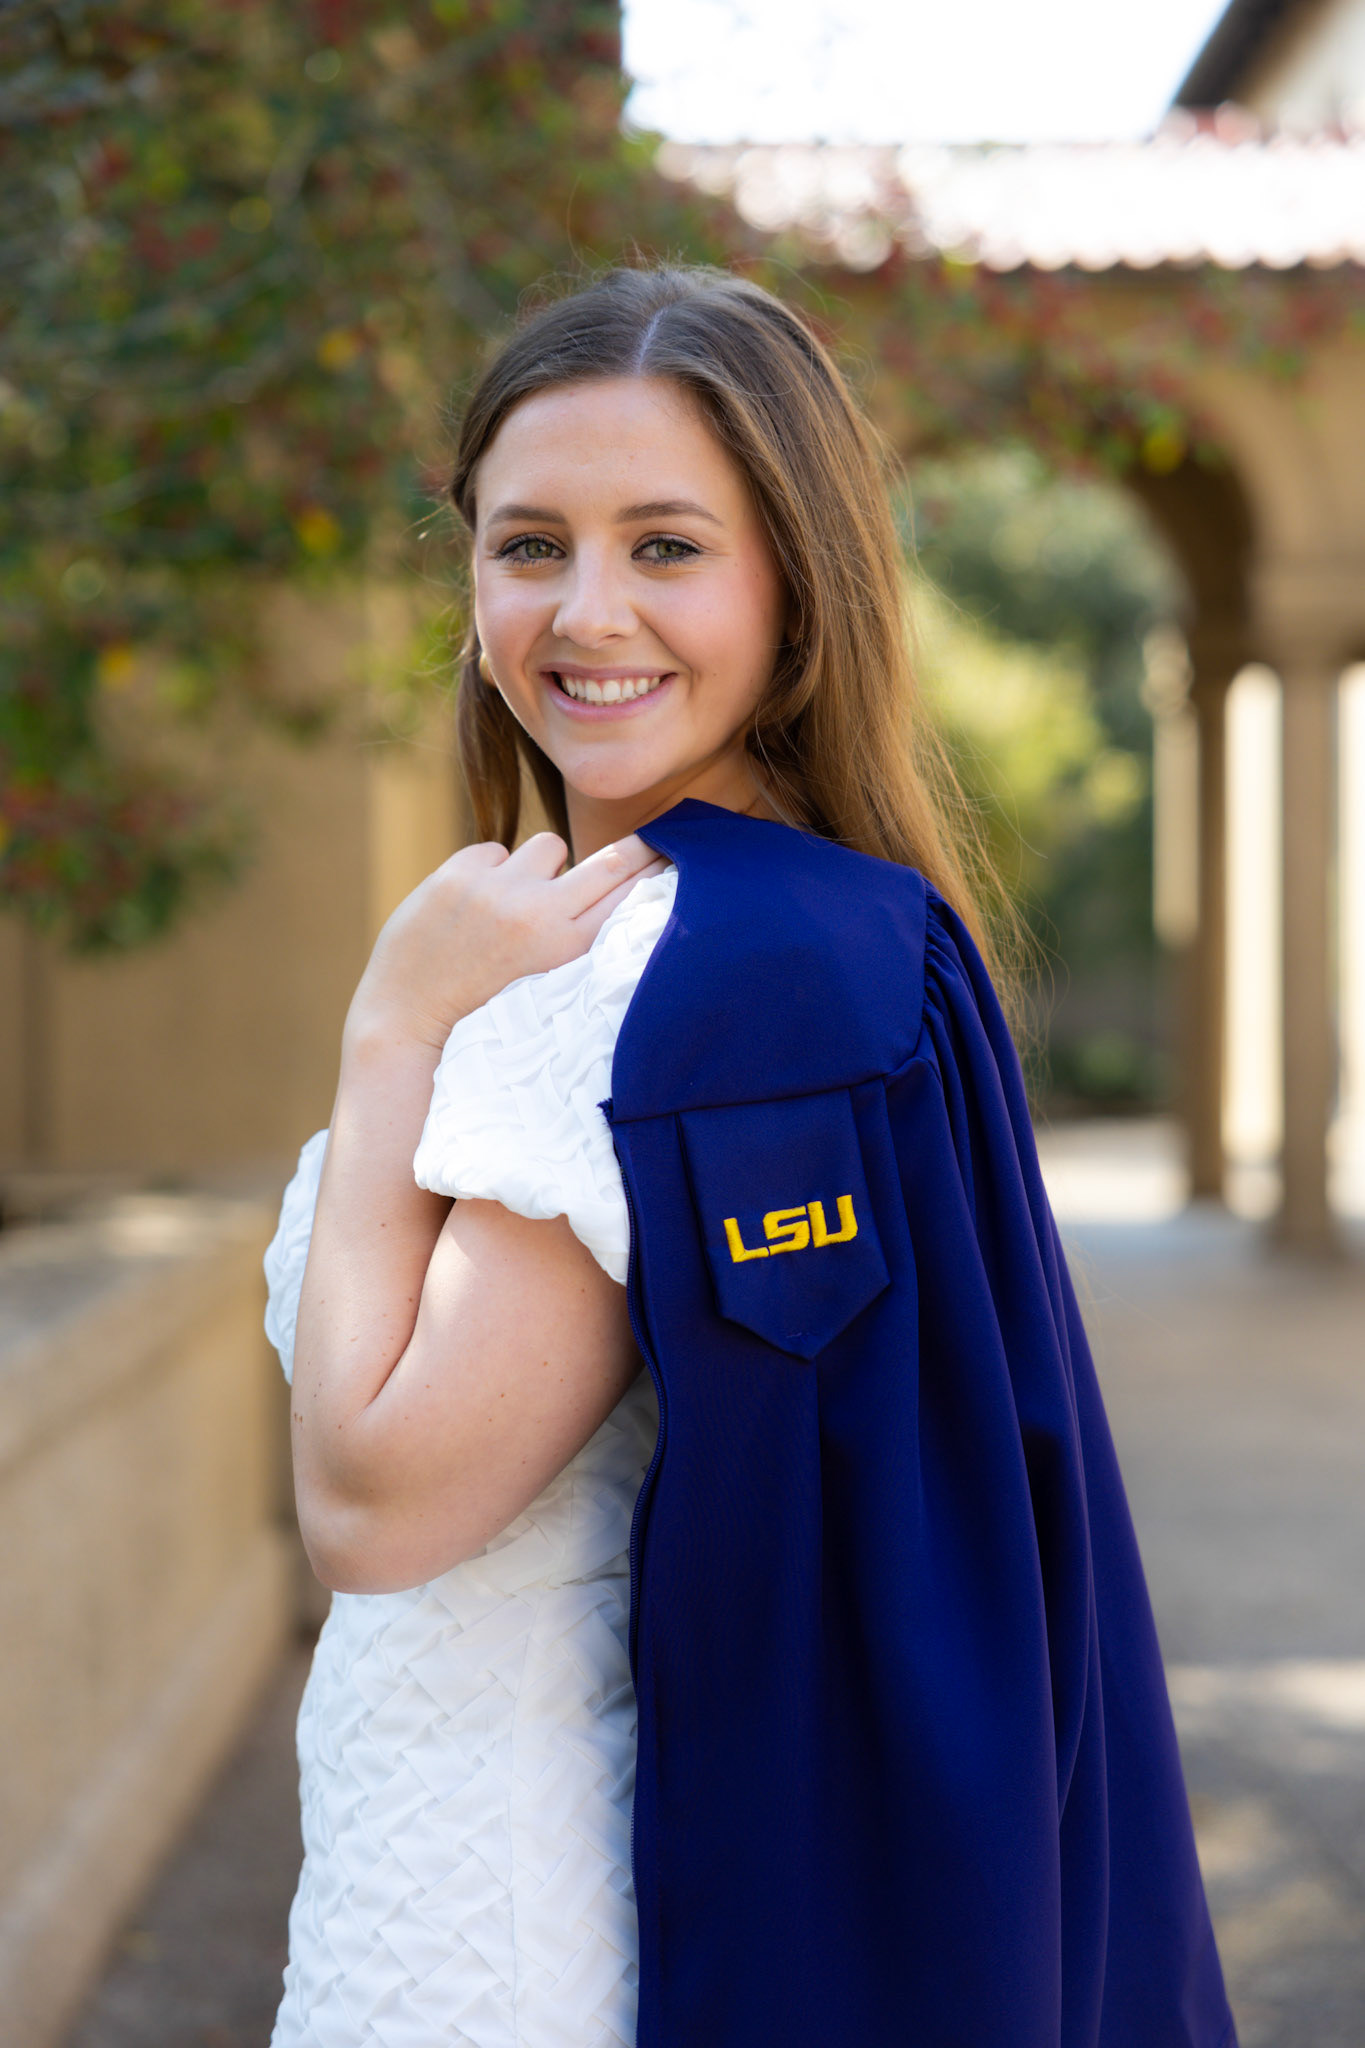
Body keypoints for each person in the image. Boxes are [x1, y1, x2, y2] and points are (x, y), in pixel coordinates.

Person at [263, 264, 1238, 2048]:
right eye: (528, 544)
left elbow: (374, 1509)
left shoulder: (665, 988)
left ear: (796, 586)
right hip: (459, 1843)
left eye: (667, 546)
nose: (587, 611)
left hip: (496, 1909)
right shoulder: (823, 934)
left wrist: (390, 1030)